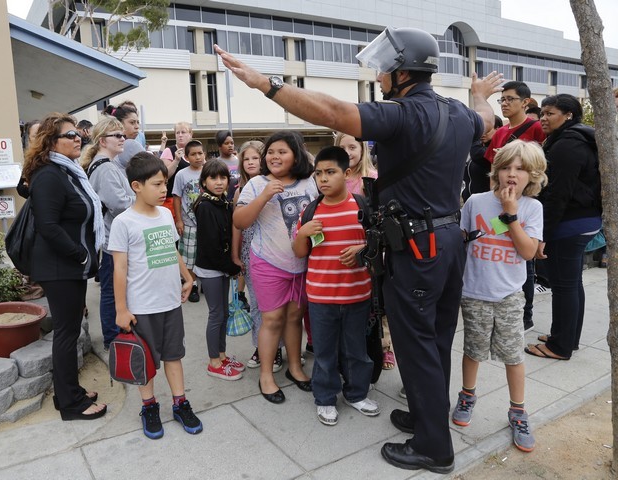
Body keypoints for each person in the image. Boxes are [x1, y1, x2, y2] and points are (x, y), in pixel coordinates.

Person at [215, 25, 502, 473]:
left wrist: (265, 83)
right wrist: (478, 92)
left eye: (384, 70)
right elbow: (488, 119)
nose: (380, 77)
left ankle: (434, 447)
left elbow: (332, 111)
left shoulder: (401, 113)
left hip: (416, 245)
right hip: (448, 241)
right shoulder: (458, 114)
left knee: (416, 342)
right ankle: (426, 417)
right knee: (437, 337)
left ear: (399, 73)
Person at [454, 140, 547, 453]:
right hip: (474, 292)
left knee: (513, 354)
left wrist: (511, 216)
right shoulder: (476, 202)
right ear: (495, 170)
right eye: (506, 166)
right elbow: (462, 241)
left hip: (509, 294)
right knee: (473, 349)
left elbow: (528, 251)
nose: (512, 173)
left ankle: (518, 410)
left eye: (520, 169)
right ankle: (467, 395)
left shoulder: (533, 208)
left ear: (532, 176)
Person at [110, 153, 203, 439]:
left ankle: (180, 403)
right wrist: (121, 309)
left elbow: (171, 250)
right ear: (136, 186)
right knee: (145, 361)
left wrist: (187, 278)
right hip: (142, 306)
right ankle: (149, 406)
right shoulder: (124, 222)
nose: (164, 189)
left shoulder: (164, 213)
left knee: (174, 356)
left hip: (170, 302)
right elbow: (119, 269)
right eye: (158, 184)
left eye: (165, 183)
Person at [22, 112, 106, 421]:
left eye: (77, 135)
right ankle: (71, 404)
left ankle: (67, 392)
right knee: (67, 334)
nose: (78, 139)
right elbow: (48, 226)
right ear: (51, 143)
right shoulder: (48, 175)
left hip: (68, 266)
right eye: (70, 135)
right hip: (60, 267)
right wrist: (81, 255)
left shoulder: (67, 171)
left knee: (69, 332)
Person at [293, 146, 379, 426]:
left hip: (357, 295)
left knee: (356, 349)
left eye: (330, 172)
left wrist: (362, 248)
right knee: (325, 352)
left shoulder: (361, 208)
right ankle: (326, 398)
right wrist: (303, 234)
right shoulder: (311, 211)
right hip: (320, 297)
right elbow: (299, 252)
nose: (323, 179)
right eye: (319, 174)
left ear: (348, 172)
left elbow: (377, 245)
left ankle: (356, 394)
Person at [234, 130, 318, 404]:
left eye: (282, 151)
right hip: (268, 262)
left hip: (302, 264)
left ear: (296, 154)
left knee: (295, 317)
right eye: (270, 151)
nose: (274, 156)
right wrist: (264, 196)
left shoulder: (309, 182)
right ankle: (267, 376)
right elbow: (240, 221)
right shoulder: (257, 184)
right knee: (271, 320)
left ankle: (295, 367)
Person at [527, 94, 602, 361]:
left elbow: (558, 195)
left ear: (569, 115)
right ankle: (568, 337)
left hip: (570, 224)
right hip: (582, 220)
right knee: (571, 283)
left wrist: (542, 236)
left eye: (550, 114)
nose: (544, 118)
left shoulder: (568, 145)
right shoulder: (577, 138)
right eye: (543, 113)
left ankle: (560, 346)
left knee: (564, 285)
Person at [485, 81, 546, 333]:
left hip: (525, 206)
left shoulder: (535, 129)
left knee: (526, 263)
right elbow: (490, 167)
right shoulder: (499, 133)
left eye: (510, 99)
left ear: (526, 102)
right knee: (503, 251)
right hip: (499, 202)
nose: (505, 103)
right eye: (502, 100)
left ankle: (526, 315)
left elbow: (541, 171)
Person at [335, 131, 390, 374]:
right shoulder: (333, 178)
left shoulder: (372, 178)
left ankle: (386, 346)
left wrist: (369, 244)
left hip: (370, 249)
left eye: (352, 147)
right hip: (341, 250)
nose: (348, 152)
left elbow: (381, 218)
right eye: (342, 147)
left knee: (378, 301)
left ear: (362, 150)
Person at [79, 117, 134, 349]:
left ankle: (114, 334)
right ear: (103, 140)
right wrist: (140, 198)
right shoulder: (106, 168)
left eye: (123, 134)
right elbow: (120, 204)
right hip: (114, 240)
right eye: (117, 135)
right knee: (113, 291)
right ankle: (113, 337)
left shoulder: (102, 165)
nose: (123, 139)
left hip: (111, 238)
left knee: (113, 289)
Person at [232, 141, 285, 372]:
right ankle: (260, 347)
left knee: (276, 307)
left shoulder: (273, 185)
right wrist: (235, 254)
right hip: (250, 252)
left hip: (274, 250)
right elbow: (236, 226)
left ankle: (278, 350)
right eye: (247, 159)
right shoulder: (239, 190)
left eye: (256, 158)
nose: (251, 162)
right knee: (257, 304)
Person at [193, 159, 244, 380]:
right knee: (216, 315)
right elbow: (211, 246)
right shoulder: (205, 206)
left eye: (223, 177)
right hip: (211, 269)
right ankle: (214, 361)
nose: (219, 182)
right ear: (204, 181)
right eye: (213, 178)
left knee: (223, 313)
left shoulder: (222, 202)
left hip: (221, 267)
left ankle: (222, 356)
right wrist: (231, 267)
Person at [172, 140, 205, 303]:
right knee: (189, 258)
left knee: (205, 255)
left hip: (207, 224)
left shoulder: (209, 171)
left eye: (200, 153)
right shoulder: (181, 175)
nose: (198, 157)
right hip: (189, 224)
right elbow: (177, 198)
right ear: (186, 157)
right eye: (193, 154)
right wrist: (179, 220)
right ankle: (192, 285)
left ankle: (204, 281)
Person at [462, 115, 503, 203]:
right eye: (481, 130)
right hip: (470, 201)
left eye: (486, 130)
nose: (483, 133)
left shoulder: (496, 151)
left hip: (486, 202)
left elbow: (477, 154)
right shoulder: (479, 147)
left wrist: (475, 135)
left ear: (498, 129)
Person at [160, 121, 193, 219]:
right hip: (172, 200)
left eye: (183, 132)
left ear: (191, 134)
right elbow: (165, 175)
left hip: (191, 198)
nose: (180, 135)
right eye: (177, 133)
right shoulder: (169, 151)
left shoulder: (195, 151)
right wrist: (176, 161)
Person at [215, 130, 240, 201]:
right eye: (226, 143)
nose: (230, 145)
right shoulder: (216, 163)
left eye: (232, 143)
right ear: (220, 146)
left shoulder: (239, 160)